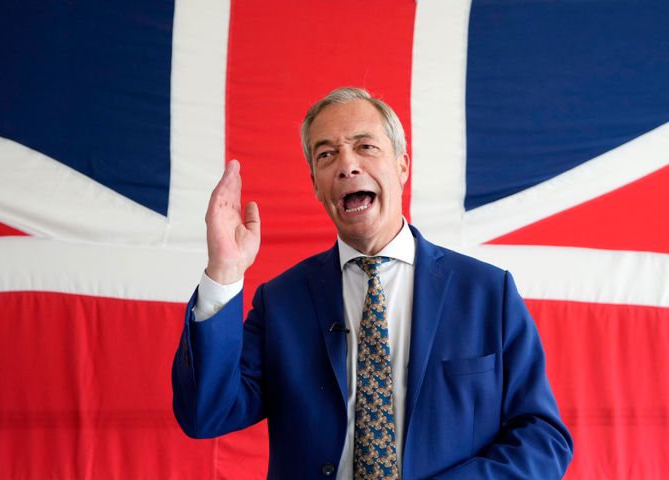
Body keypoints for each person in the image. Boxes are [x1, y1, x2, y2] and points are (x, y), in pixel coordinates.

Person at [172, 87, 573, 479]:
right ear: (315, 184)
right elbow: (205, 414)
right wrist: (223, 272)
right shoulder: (280, 302)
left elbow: (542, 439)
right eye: (326, 154)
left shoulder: (488, 293)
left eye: (365, 147)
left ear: (402, 166)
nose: (347, 165)